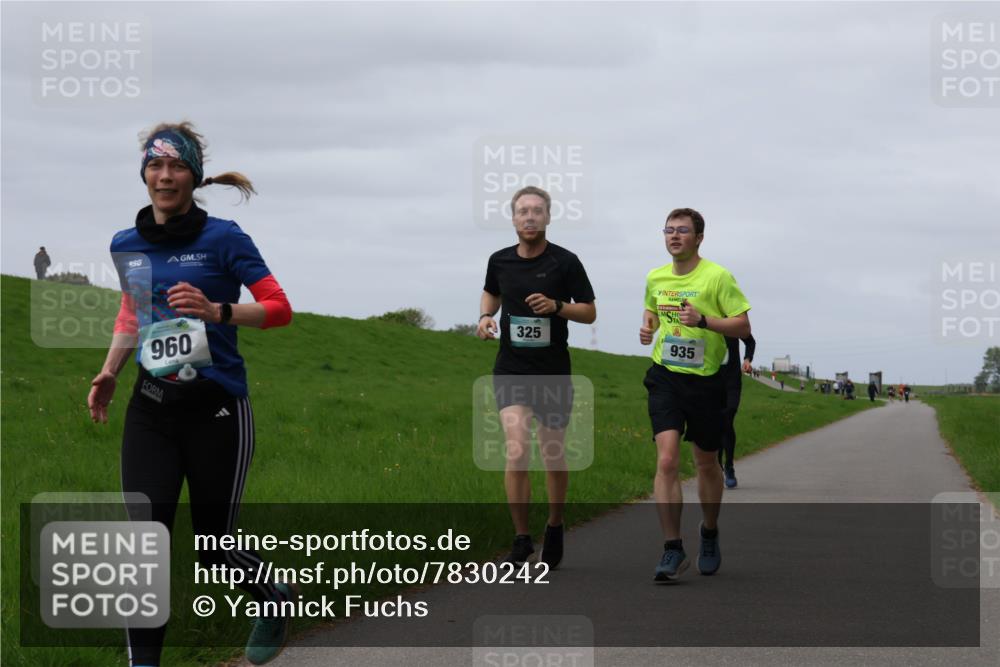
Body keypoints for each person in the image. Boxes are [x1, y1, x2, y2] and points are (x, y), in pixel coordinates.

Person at [87, 122, 294, 667]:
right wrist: (110, 369)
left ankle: (274, 597)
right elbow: (133, 311)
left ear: (194, 176)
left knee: (213, 549)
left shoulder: (225, 238)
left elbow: (279, 308)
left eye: (176, 165)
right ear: (144, 175)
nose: (164, 175)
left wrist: (217, 311)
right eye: (155, 166)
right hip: (151, 409)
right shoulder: (124, 244)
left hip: (218, 409)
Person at [477, 185, 596, 568]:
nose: (529, 217)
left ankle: (556, 524)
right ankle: (522, 538)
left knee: (552, 456)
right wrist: (485, 317)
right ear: (513, 218)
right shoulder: (499, 260)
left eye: (537, 211)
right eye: (522, 211)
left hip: (552, 372)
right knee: (516, 450)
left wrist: (557, 306)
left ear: (547, 217)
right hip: (510, 369)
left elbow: (589, 312)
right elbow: (490, 293)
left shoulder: (565, 262)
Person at [639, 207, 751, 581]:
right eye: (669, 230)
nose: (674, 236)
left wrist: (704, 321)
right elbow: (653, 311)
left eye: (683, 231)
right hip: (666, 377)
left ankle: (709, 530)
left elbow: (742, 325)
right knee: (667, 460)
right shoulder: (656, 277)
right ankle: (672, 548)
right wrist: (648, 328)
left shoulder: (717, 277)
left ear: (699, 238)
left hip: (707, 382)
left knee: (706, 463)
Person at [717, 334, 756, 489]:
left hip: (732, 381)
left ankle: (729, 465)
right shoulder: (705, 318)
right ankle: (717, 466)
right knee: (716, 424)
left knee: (727, 418)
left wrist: (747, 359)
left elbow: (750, 341)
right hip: (710, 379)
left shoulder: (734, 320)